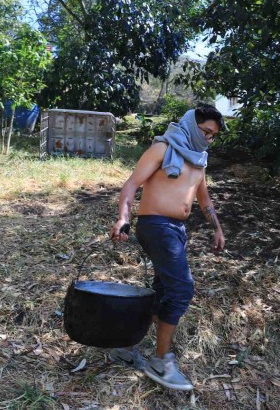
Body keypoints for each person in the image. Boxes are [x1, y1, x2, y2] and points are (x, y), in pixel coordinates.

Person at [109, 105, 226, 391]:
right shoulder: (162, 148)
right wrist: (123, 218)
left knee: (162, 292)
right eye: (206, 131)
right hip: (156, 225)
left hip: (176, 231)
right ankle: (161, 362)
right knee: (182, 289)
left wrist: (217, 228)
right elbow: (131, 184)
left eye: (213, 136)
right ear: (193, 124)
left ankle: (125, 347)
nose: (209, 139)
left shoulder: (199, 159)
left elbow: (204, 199)